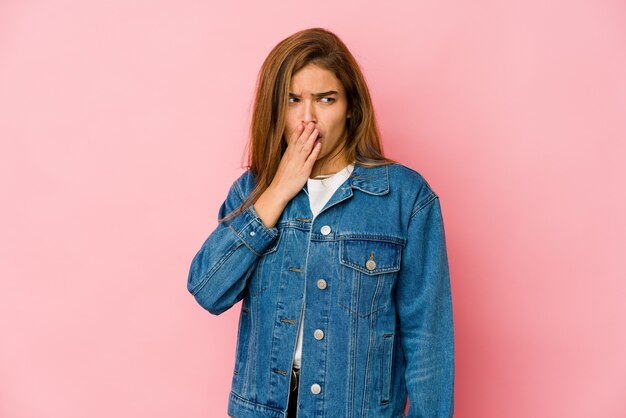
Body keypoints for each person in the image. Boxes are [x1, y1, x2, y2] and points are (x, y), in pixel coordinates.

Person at [187, 27, 454, 418]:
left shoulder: (405, 197)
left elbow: (427, 336)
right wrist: (278, 189)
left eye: (325, 100)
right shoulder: (252, 189)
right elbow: (209, 291)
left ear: (350, 107)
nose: (307, 118)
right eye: (293, 100)